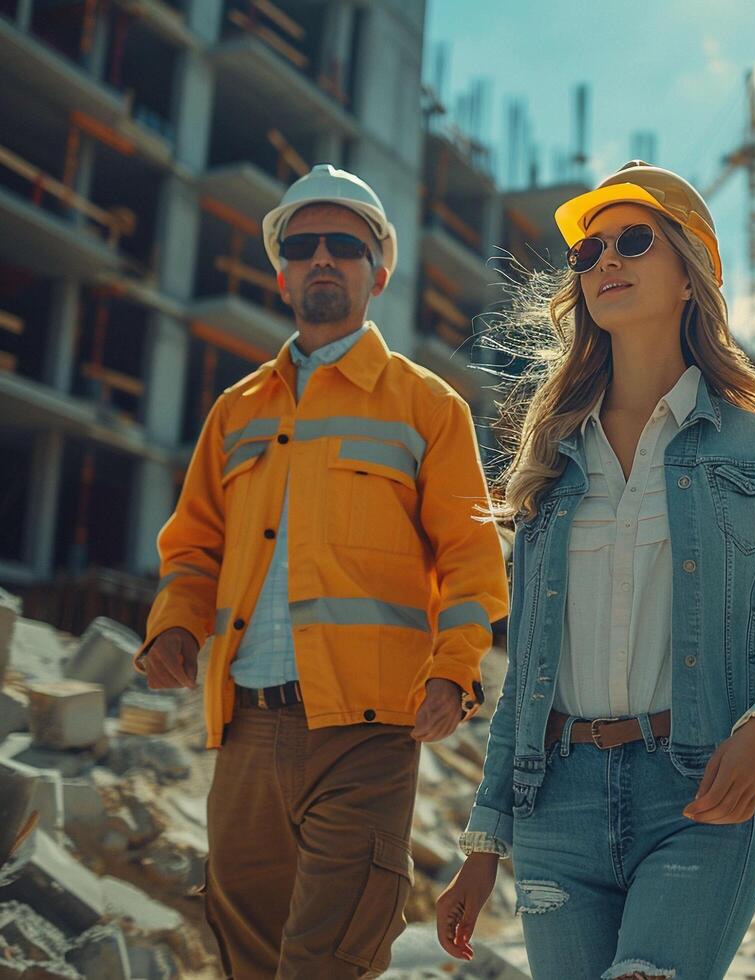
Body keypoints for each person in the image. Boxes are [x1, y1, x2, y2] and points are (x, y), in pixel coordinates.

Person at [434, 161, 755, 980]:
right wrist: (483, 841)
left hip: (694, 796)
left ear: (690, 273)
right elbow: (528, 676)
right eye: (588, 252)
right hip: (556, 808)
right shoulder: (550, 460)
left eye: (633, 240)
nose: (603, 260)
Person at [134, 164, 509, 978]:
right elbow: (193, 545)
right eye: (303, 247)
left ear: (380, 270)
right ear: (280, 273)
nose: (322, 260)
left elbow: (472, 559)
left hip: (367, 732)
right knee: (251, 958)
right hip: (244, 733)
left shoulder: (427, 406)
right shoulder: (235, 412)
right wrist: (173, 623)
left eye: (345, 244)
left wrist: (455, 671)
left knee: (326, 961)